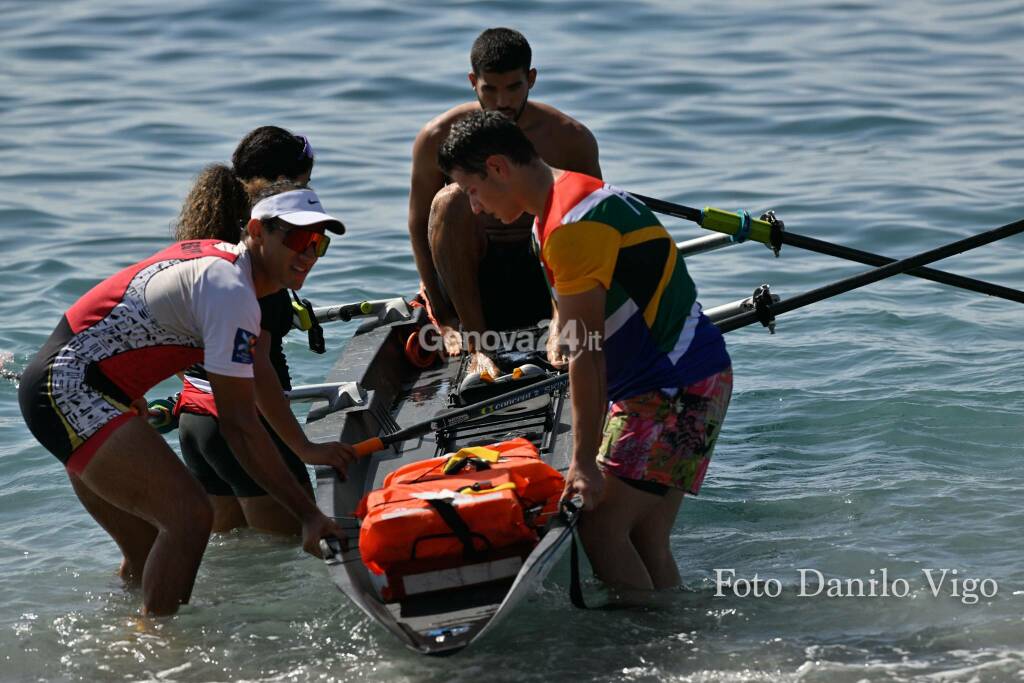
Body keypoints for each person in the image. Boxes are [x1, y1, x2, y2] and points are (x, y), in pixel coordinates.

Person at [18, 182, 352, 615]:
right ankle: (162, 656)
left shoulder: (224, 267)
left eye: (318, 244)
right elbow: (238, 426)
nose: (307, 255)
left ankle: (120, 651)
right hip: (68, 389)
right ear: (256, 230)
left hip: (77, 387)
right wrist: (308, 515)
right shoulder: (232, 291)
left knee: (149, 552)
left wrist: (303, 447)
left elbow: (252, 370)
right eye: (295, 239)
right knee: (189, 516)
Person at [437, 111, 733, 592]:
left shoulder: (570, 226)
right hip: (694, 374)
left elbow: (586, 354)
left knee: (600, 527)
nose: (473, 207)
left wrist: (582, 462)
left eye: (470, 189)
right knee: (643, 537)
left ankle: (640, 652)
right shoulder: (563, 201)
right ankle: (673, 641)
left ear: (497, 167)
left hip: (673, 389)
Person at [408, 27, 601, 375]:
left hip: (538, 272)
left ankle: (557, 320)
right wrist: (445, 317)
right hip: (468, 279)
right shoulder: (437, 137)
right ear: (472, 82)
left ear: (531, 79)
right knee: (451, 200)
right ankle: (477, 344)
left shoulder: (569, 139)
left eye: (514, 88)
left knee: (568, 206)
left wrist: (564, 315)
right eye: (490, 89)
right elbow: (420, 225)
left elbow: (590, 225)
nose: (502, 102)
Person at [174, 127, 320, 535]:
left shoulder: (204, 250)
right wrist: (302, 447)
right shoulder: (259, 271)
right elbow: (258, 370)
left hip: (194, 424)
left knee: (234, 568)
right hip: (249, 430)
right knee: (289, 559)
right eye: (304, 188)